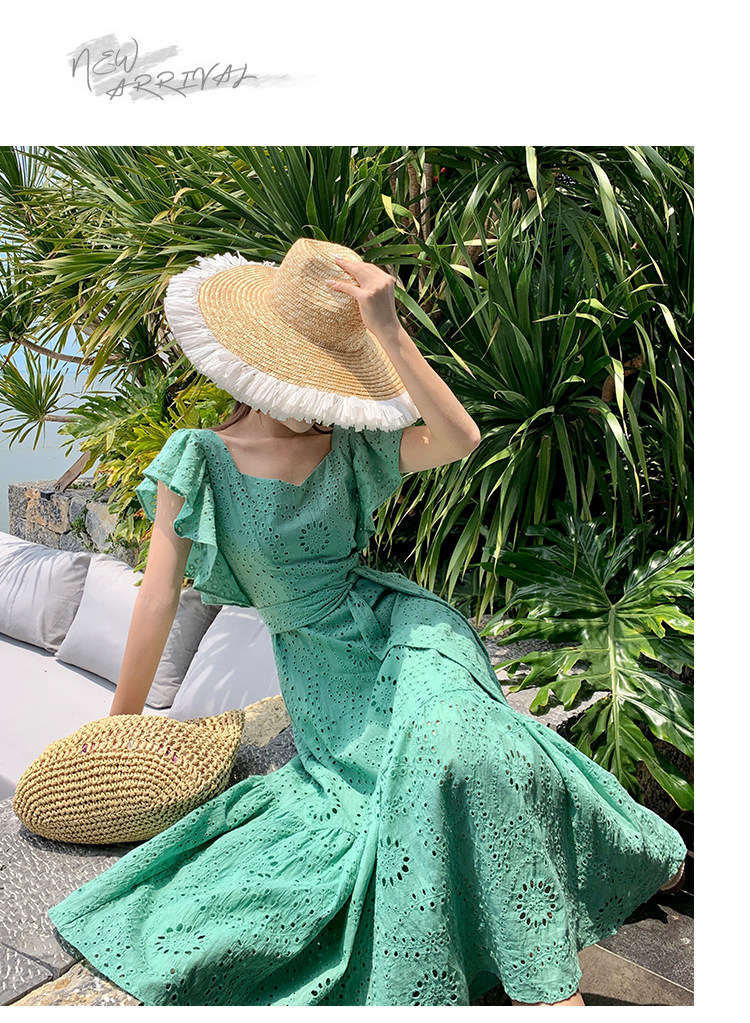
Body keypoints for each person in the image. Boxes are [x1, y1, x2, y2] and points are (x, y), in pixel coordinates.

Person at [46, 238, 687, 1007]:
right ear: (257, 363)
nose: (309, 395)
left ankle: (549, 988)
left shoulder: (351, 448)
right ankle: (610, 872)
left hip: (406, 628)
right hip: (323, 672)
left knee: (459, 737)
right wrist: (121, 724)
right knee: (447, 761)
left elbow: (459, 438)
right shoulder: (198, 459)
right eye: (298, 368)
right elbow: (158, 598)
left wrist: (389, 329)